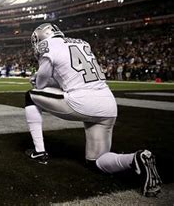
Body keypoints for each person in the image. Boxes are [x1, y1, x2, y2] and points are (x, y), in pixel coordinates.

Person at [23, 23, 162, 197]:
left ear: (41, 38)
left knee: (30, 95)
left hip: (81, 102)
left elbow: (42, 83)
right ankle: (136, 158)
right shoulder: (82, 43)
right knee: (96, 161)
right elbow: (71, 78)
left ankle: (39, 151)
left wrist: (36, 79)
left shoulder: (48, 45)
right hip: (108, 105)